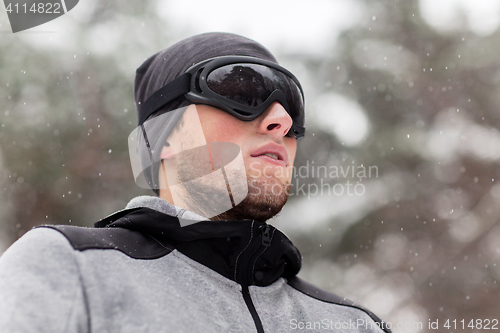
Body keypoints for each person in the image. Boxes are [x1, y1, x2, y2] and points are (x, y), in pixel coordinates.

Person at [0, 32, 391, 333]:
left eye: (292, 107)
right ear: (164, 135)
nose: (281, 120)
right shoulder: (70, 268)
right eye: (243, 90)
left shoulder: (352, 324)